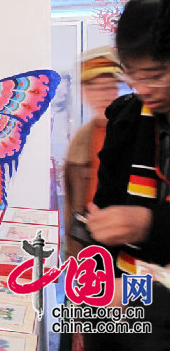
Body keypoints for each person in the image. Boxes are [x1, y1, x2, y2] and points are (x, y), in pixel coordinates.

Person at [85, 0, 170, 349]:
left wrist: (148, 223)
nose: (142, 87)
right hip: (127, 283)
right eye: (132, 74)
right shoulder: (128, 119)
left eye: (154, 74)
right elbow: (106, 199)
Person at [64, 46, 121, 259]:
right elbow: (72, 204)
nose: (102, 95)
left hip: (125, 245)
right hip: (88, 243)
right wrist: (71, 254)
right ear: (85, 93)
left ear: (116, 89)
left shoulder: (133, 133)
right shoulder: (80, 141)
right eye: (94, 88)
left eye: (108, 87)